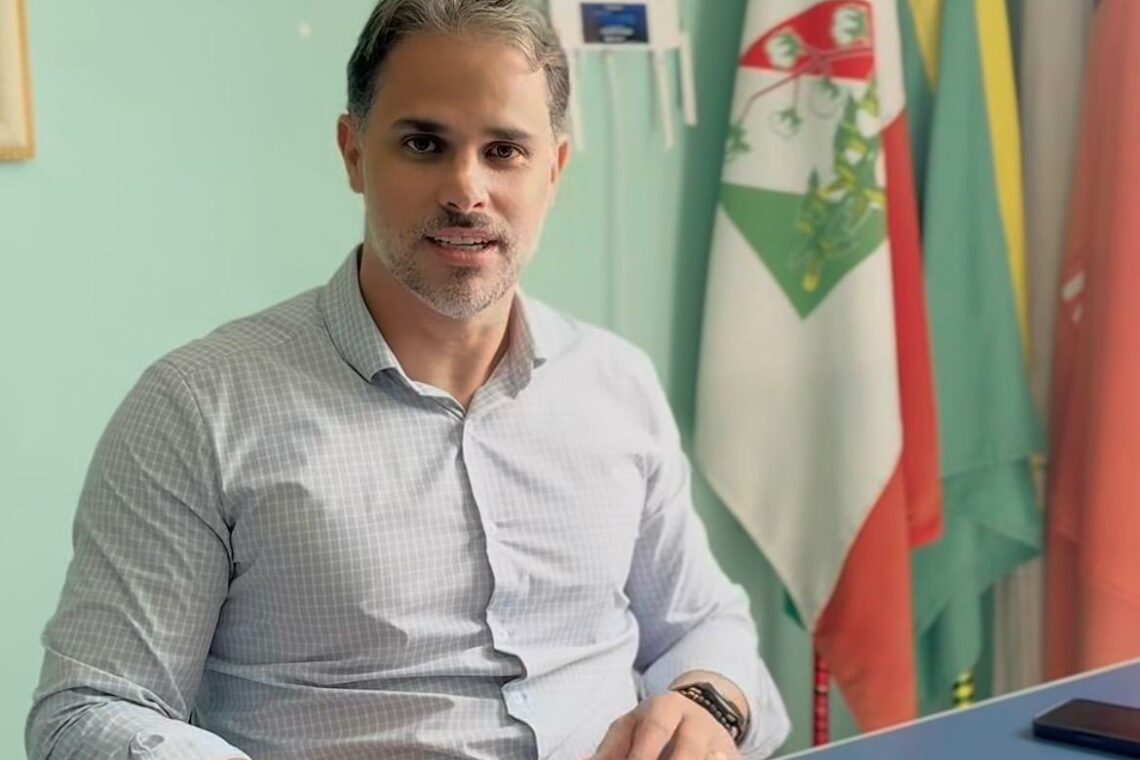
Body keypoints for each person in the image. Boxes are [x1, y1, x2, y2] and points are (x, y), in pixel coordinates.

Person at [26, 1, 790, 758]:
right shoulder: (196, 408)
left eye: (504, 151)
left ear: (554, 170)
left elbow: (702, 623)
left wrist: (705, 702)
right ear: (353, 153)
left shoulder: (616, 384)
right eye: (425, 144)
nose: (466, 191)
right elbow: (86, 714)